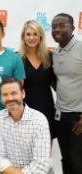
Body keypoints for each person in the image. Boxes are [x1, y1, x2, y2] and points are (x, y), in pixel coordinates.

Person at [0, 78, 51, 174]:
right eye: (5, 95)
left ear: (23, 94)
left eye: (14, 93)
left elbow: (41, 165)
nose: (10, 98)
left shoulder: (39, 120)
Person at [51, 13, 82, 174]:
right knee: (66, 160)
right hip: (60, 115)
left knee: (78, 162)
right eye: (54, 26)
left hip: (78, 117)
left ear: (73, 28)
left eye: (62, 25)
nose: (57, 29)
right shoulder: (55, 53)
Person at [19, 20, 56, 139]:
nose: (32, 38)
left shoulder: (50, 56)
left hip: (46, 108)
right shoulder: (17, 58)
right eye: (28, 34)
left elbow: (59, 83)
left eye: (35, 34)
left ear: (40, 36)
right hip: (25, 110)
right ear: (23, 37)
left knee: (45, 153)